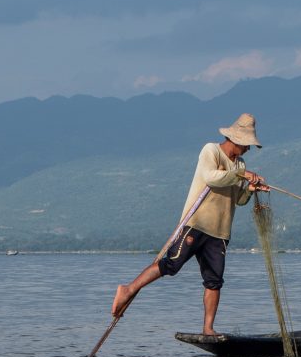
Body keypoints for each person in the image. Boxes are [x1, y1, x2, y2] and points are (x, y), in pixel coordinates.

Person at [111, 113, 269, 335]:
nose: (248, 150)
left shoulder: (240, 164)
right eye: (247, 145)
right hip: (196, 223)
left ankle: (208, 328)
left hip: (220, 231)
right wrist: (242, 174)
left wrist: (250, 190)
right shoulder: (211, 151)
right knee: (172, 265)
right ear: (238, 140)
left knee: (214, 281)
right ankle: (128, 290)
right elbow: (212, 177)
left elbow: (237, 200)